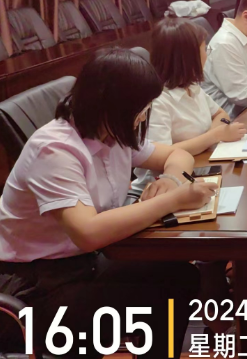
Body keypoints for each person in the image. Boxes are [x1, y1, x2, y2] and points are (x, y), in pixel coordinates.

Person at [0, 48, 217, 358]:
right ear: (114, 106)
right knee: (155, 296)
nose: (143, 116)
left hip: (81, 263)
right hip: (37, 284)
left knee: (180, 276)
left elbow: (177, 154)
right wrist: (174, 199)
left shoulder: (112, 133)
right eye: (141, 108)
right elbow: (87, 233)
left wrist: (171, 179)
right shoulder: (54, 150)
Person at [131, 18, 247, 194]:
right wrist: (215, 135)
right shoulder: (158, 100)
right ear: (188, 57)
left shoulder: (191, 86)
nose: (207, 55)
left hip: (199, 166)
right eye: (204, 49)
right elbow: (163, 154)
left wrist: (211, 137)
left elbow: (221, 114)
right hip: (158, 188)